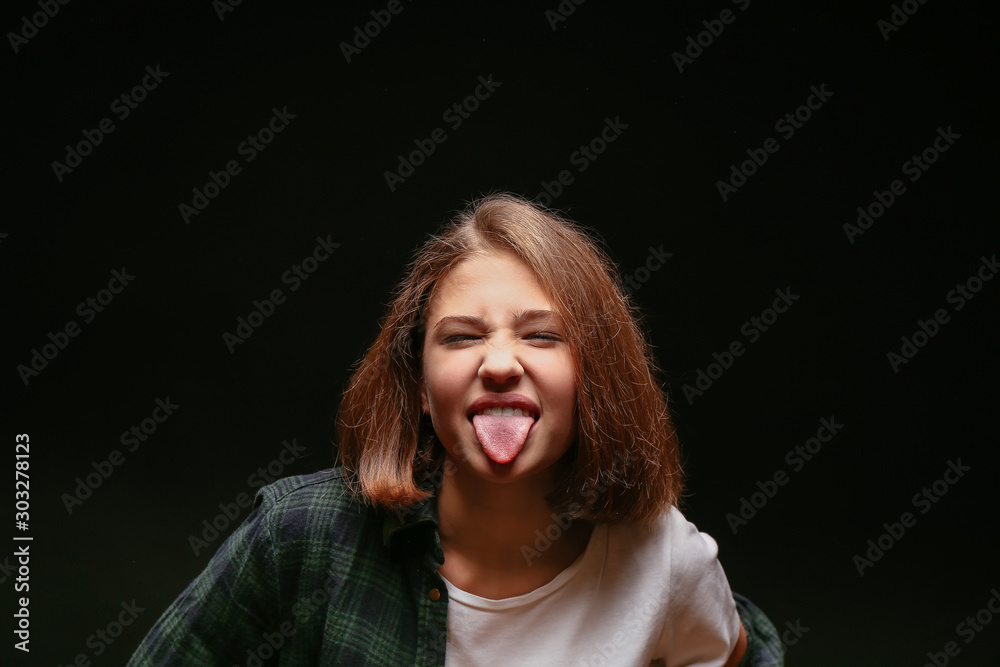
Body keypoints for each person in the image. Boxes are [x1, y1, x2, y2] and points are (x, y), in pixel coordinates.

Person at [129, 193, 778, 666]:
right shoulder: (299, 539)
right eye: (462, 337)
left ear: (594, 377)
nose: (498, 363)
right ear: (418, 381)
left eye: (541, 335)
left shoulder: (666, 560)